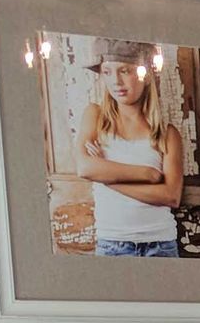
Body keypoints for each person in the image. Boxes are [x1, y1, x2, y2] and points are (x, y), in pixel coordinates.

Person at [75, 41, 184, 257]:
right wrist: (148, 174)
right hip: (112, 245)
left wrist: (107, 179)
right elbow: (84, 167)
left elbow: (171, 196)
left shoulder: (167, 133)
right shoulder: (95, 116)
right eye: (107, 72)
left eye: (125, 71)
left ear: (146, 75)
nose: (116, 81)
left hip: (161, 244)